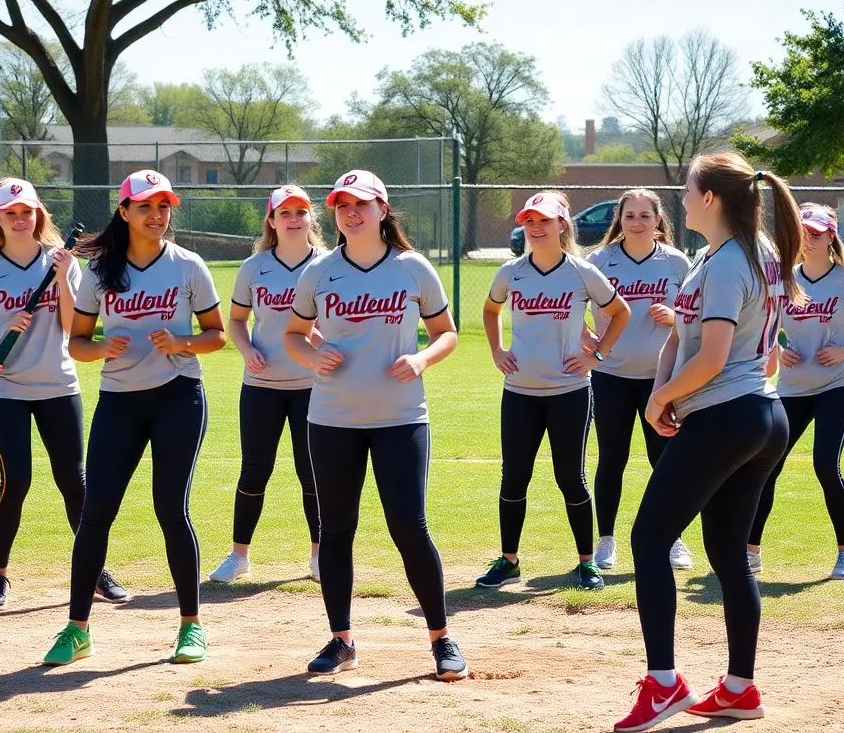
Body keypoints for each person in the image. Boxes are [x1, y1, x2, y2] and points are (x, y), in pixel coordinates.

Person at [614, 153, 805, 732]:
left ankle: (664, 684)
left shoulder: (726, 263)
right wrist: (668, 382)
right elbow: (691, 334)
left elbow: (716, 357)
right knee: (727, 556)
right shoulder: (743, 253)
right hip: (760, 415)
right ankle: (740, 689)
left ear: (712, 200)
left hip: (729, 415)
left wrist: (658, 397)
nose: (683, 196)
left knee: (648, 539)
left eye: (690, 188)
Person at [283, 169, 468, 681]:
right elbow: (294, 335)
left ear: (383, 210)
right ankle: (341, 640)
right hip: (332, 418)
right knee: (335, 528)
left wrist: (424, 359)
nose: (351, 212)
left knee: (409, 525)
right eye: (342, 205)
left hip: (400, 417)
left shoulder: (412, 267)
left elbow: (447, 333)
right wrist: (311, 356)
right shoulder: (319, 272)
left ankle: (441, 638)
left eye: (362, 204)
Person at [42, 170, 226, 667]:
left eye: (164, 206)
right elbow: (77, 342)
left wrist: (183, 342)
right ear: (124, 212)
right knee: (95, 513)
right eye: (146, 206)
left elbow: (217, 335)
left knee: (172, 509)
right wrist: (100, 347)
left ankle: (191, 626)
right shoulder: (101, 270)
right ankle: (77, 629)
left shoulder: (188, 265)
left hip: (178, 397)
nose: (157, 215)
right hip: (119, 400)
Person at [0, 179, 129, 611]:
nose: (20, 219)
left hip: (57, 384)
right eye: (10, 213)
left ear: (39, 215)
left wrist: (63, 279)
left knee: (75, 479)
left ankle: (95, 572)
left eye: (27, 212)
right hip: (3, 388)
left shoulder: (61, 262)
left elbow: (72, 327)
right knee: (16, 479)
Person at [475, 192, 630, 592]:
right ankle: (509, 560)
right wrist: (497, 350)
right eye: (529, 220)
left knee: (571, 479)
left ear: (562, 225)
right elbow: (491, 311)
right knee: (513, 479)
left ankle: (585, 563)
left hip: (569, 392)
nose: (536, 227)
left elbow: (620, 312)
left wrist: (597, 356)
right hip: (520, 391)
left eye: (545, 220)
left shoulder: (581, 272)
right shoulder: (511, 272)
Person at [747, 203, 844, 580]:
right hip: (793, 389)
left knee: (825, 465)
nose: (808, 240)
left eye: (816, 233)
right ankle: (750, 553)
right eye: (803, 233)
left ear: (831, 236)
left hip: (837, 385)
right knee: (766, 467)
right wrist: (778, 349)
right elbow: (762, 326)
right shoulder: (783, 279)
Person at [209, 185, 328, 584]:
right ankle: (239, 555)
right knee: (254, 471)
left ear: (312, 218)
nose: (293, 220)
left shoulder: (329, 265)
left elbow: (338, 323)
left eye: (300, 212)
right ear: (272, 221)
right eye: (285, 214)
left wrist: (322, 341)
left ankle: (318, 556)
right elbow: (238, 321)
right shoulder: (254, 267)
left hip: (313, 386)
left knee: (313, 472)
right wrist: (245, 350)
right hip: (262, 384)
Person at [583, 190, 694, 572]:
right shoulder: (600, 259)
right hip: (610, 375)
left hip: (661, 379)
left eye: (645, 215)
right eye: (629, 215)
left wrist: (676, 317)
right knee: (612, 459)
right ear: (620, 219)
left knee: (664, 460)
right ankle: (606, 541)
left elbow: (699, 316)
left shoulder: (677, 262)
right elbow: (569, 306)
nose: (637, 222)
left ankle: (673, 537)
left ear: (658, 219)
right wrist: (591, 344)